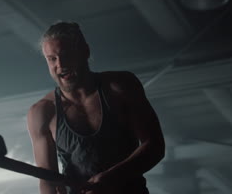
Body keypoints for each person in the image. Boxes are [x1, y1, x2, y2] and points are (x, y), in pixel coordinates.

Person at [27, 22, 165, 194]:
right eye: (52, 59)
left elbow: (155, 147)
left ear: (85, 52)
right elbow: (48, 182)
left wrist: (111, 178)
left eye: (67, 55)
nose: (60, 65)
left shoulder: (120, 87)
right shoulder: (42, 112)